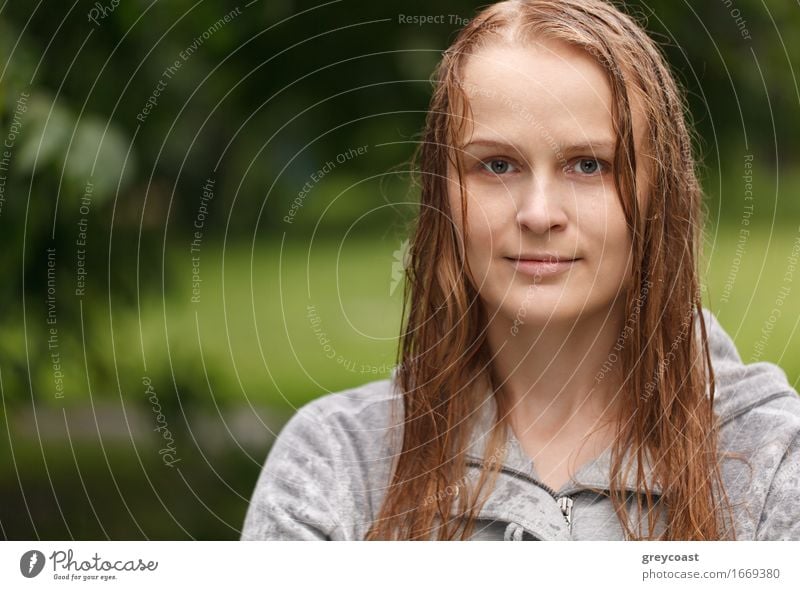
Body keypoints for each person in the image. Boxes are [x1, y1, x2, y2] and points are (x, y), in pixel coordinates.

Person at [241, 0, 800, 540]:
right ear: (444, 196)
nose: (538, 213)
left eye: (588, 165)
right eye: (497, 165)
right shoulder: (335, 463)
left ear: (660, 197)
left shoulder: (772, 459)